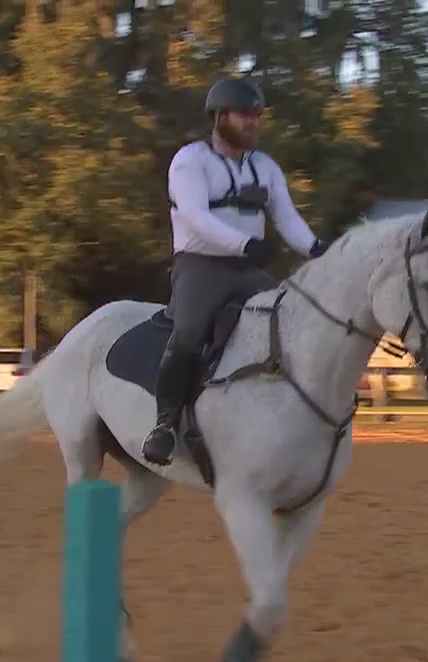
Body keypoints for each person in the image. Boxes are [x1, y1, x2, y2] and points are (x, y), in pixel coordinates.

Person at [141, 76, 327, 466]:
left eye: (256, 115)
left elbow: (286, 218)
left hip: (248, 269)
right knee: (188, 333)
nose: (253, 122)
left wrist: (315, 248)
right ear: (220, 117)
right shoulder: (190, 161)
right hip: (200, 266)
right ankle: (164, 425)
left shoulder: (266, 168)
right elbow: (195, 215)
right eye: (244, 115)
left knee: (288, 324)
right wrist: (243, 244)